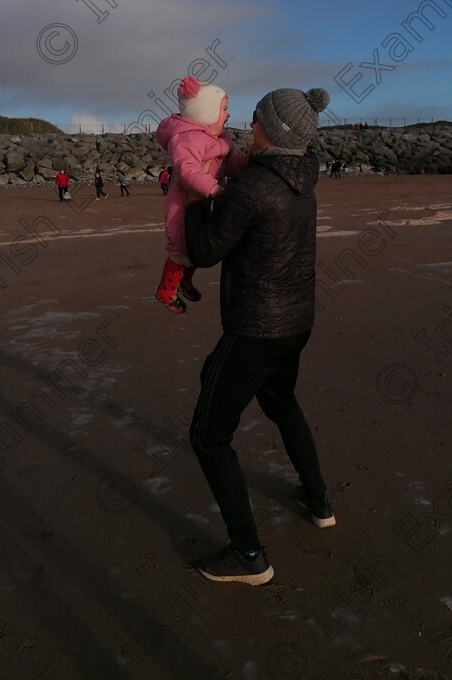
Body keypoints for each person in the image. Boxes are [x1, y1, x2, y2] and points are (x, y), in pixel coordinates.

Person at [184, 86, 335, 586]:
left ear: (271, 131)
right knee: (283, 404)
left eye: (255, 120)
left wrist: (190, 198)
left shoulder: (253, 188)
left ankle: (249, 554)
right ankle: (318, 502)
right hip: (296, 324)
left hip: (255, 329)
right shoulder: (304, 181)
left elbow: (205, 251)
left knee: (208, 436)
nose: (248, 126)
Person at [154, 76, 247, 314]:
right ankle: (166, 291)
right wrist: (212, 187)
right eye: (224, 109)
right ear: (207, 113)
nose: (228, 114)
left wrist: (247, 162)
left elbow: (230, 164)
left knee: (198, 245)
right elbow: (186, 170)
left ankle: (184, 281)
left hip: (204, 201)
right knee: (181, 247)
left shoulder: (222, 140)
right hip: (183, 203)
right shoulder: (187, 138)